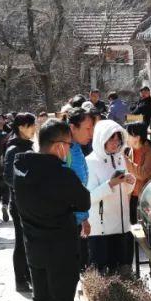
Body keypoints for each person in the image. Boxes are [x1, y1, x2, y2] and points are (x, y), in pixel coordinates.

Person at [13, 119, 91, 301]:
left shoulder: (21, 167)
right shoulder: (61, 174)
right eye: (68, 145)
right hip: (61, 249)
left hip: (34, 247)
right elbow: (83, 200)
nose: (69, 150)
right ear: (58, 147)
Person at [85, 120, 135, 275]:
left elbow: (125, 191)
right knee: (102, 274)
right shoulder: (90, 162)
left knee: (123, 271)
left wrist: (130, 182)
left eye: (118, 139)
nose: (115, 143)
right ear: (101, 139)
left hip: (122, 226)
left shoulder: (120, 158)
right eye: (111, 139)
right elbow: (88, 197)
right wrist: (110, 184)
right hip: (101, 229)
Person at [3, 113, 37, 292]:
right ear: (22, 127)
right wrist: (28, 183)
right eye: (32, 125)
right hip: (19, 202)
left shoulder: (27, 145)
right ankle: (20, 279)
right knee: (21, 241)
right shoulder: (13, 149)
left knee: (29, 241)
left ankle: (29, 276)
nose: (34, 129)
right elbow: (9, 177)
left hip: (30, 201)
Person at [66, 108, 93, 269]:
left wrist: (83, 217)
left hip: (76, 219)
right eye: (87, 128)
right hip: (66, 222)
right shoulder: (64, 151)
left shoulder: (76, 147)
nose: (91, 133)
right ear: (72, 128)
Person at [124, 122, 151, 224]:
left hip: (143, 198)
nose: (126, 138)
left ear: (137, 138)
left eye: (128, 135)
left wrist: (126, 160)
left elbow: (142, 174)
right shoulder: (129, 150)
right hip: (129, 196)